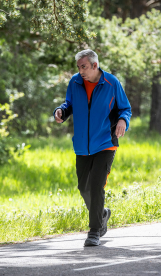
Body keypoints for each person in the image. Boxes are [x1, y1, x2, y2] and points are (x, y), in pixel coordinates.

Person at [54, 49, 131, 246]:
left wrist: (123, 120)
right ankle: (102, 213)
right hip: (82, 145)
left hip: (106, 142)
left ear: (95, 65)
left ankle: (95, 231)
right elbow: (69, 103)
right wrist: (61, 111)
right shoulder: (75, 82)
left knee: (97, 187)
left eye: (84, 67)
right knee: (83, 187)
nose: (81, 71)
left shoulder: (111, 83)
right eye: (79, 67)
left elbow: (125, 108)